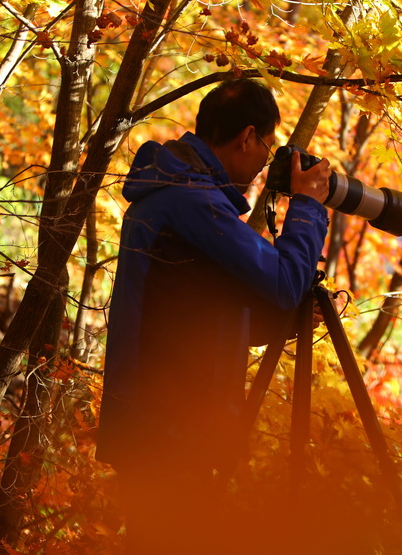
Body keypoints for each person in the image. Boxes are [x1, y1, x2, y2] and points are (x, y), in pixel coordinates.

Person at [96, 79, 331, 552]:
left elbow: (197, 312)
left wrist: (281, 319)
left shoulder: (172, 194)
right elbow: (285, 282)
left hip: (157, 421)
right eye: (267, 145)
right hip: (169, 429)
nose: (267, 160)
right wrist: (307, 206)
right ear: (246, 137)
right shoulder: (192, 202)